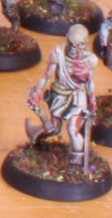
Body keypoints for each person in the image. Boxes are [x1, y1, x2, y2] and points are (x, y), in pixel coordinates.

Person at [26, 25, 98, 166]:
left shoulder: (90, 60)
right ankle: (36, 134)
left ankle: (77, 161)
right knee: (55, 128)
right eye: (71, 42)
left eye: (79, 44)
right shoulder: (58, 53)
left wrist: (92, 101)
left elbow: (90, 82)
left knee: (73, 129)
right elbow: (47, 76)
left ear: (85, 43)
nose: (73, 48)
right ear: (67, 38)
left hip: (78, 96)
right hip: (59, 94)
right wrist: (36, 93)